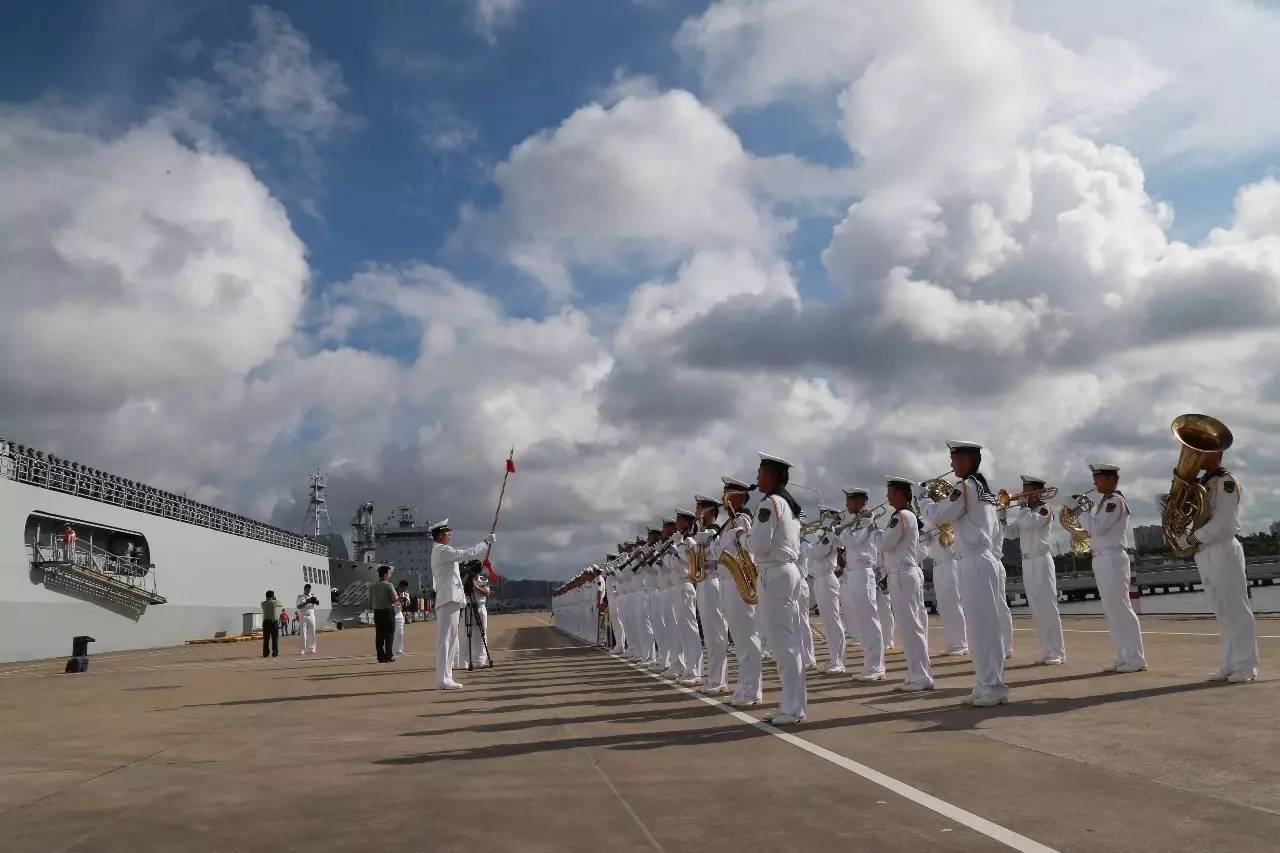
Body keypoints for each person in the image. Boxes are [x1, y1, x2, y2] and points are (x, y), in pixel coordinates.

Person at [920, 440, 1009, 706]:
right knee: (980, 626)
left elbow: (939, 516)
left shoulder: (967, 487)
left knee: (983, 626)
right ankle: (985, 683)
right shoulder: (981, 489)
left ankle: (992, 685)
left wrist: (924, 498)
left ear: (967, 462)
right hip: (977, 559)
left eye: (954, 459)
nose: (950, 465)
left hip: (975, 560)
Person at [1173, 452, 1259, 683]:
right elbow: (1191, 516)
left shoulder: (1226, 481)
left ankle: (1246, 665)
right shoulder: (1201, 483)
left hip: (1221, 547)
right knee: (1221, 610)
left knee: (1236, 608)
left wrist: (1193, 537)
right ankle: (1229, 663)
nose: (1196, 455)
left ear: (1218, 453)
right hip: (1204, 551)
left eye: (1203, 450)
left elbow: (1224, 521)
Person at [750, 452, 806, 726]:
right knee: (787, 642)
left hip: (774, 573)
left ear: (771, 476)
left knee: (784, 644)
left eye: (760, 474)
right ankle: (791, 703)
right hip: (784, 572)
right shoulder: (787, 503)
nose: (757, 478)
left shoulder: (770, 503)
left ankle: (793, 707)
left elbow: (759, 546)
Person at [1077, 464, 1146, 673]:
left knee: (1122, 608)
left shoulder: (1114, 502)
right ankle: (1123, 654)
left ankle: (1135, 657)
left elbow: (1097, 527)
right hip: (1102, 558)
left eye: (1098, 478)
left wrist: (1080, 510)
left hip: (1113, 558)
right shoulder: (1104, 502)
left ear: (1111, 479)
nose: (1094, 483)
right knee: (1111, 609)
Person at [711, 476, 764, 707]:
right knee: (740, 639)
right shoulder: (728, 523)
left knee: (746, 637)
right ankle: (745, 685)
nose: (724, 499)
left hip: (738, 580)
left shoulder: (742, 519)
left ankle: (752, 690)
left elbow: (749, 548)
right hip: (728, 581)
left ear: (738, 496)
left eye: (728, 493)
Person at [1000, 474, 1065, 665]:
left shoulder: (1044, 509)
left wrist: (1022, 507)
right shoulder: (1026, 512)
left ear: (1037, 491)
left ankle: (1057, 652)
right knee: (1036, 608)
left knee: (1048, 606)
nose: (1022, 493)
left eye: (1027, 489)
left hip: (1041, 560)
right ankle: (1047, 651)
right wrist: (1002, 517)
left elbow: (1030, 522)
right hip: (1027, 562)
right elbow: (1010, 534)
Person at [881, 478, 934, 691]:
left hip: (903, 574)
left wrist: (875, 533)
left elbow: (885, 543)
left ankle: (921, 676)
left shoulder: (902, 515)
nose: (887, 497)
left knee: (911, 626)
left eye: (890, 493)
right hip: (900, 574)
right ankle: (915, 673)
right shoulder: (904, 515)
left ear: (900, 494)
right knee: (908, 626)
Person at [428, 519, 494, 690]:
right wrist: (485, 543)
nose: (450, 536)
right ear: (441, 535)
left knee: (450, 640)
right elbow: (467, 553)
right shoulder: (442, 550)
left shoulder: (442, 551)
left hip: (452, 599)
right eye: (448, 533)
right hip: (448, 599)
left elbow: (463, 563)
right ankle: (443, 679)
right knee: (446, 641)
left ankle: (447, 677)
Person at [838, 488, 886, 682]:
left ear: (859, 502)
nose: (847, 505)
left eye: (849, 501)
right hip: (854, 574)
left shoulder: (868, 522)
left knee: (870, 620)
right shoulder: (856, 523)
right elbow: (842, 540)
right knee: (863, 621)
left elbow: (854, 542)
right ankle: (870, 664)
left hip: (865, 572)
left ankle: (876, 666)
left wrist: (860, 526)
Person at [692, 495, 730, 695]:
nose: (697, 512)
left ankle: (719, 679)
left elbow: (718, 556)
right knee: (708, 633)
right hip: (702, 583)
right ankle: (714, 677)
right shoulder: (701, 533)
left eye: (700, 508)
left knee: (716, 632)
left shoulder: (716, 532)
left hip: (713, 581)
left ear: (710, 511)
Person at [807, 506, 846, 674]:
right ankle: (833, 659)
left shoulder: (832, 537)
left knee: (833, 622)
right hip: (818, 580)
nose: (822, 520)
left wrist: (830, 528)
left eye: (825, 517)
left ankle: (839, 661)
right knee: (828, 622)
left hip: (827, 579)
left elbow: (817, 554)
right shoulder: (823, 536)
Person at [923, 512, 968, 656]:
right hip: (937, 567)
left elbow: (947, 543)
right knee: (943, 606)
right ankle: (952, 643)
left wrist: (939, 528)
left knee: (954, 604)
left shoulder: (947, 520)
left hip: (950, 564)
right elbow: (926, 542)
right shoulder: (930, 522)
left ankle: (961, 643)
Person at [459, 564, 492, 669]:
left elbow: (487, 593)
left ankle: (481, 661)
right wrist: (466, 580)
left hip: (480, 607)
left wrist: (475, 587)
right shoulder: (464, 579)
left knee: (482, 635)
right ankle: (465, 662)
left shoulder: (483, 579)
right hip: (468, 607)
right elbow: (459, 591)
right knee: (466, 635)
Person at [369, 566, 398, 663]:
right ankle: (388, 656)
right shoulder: (389, 585)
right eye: (389, 573)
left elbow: (370, 600)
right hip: (388, 611)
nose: (390, 575)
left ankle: (380, 656)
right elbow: (395, 599)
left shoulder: (373, 586)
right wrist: (401, 599)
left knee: (379, 635)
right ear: (385, 574)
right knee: (389, 634)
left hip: (377, 612)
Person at [296, 583, 318, 654]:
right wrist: (306, 602)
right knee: (303, 633)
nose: (308, 591)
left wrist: (315, 601)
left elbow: (317, 603)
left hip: (311, 616)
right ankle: (302, 649)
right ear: (304, 589)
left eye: (309, 589)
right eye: (307, 589)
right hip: (303, 616)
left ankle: (312, 648)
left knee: (312, 632)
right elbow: (298, 606)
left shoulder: (313, 596)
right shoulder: (300, 597)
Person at [260, 590, 282, 658]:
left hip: (265, 621)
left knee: (266, 639)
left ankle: (265, 653)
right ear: (272, 596)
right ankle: (275, 652)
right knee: (274, 638)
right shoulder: (274, 602)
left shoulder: (263, 603)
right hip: (273, 621)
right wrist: (275, 598)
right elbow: (281, 604)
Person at [393, 580, 410, 657]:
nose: (404, 590)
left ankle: (399, 649)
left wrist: (406, 601)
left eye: (405, 588)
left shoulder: (406, 593)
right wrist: (399, 599)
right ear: (400, 586)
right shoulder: (393, 591)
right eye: (403, 588)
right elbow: (392, 601)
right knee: (390, 632)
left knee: (400, 632)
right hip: (391, 612)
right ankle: (388, 649)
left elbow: (407, 604)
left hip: (399, 613)